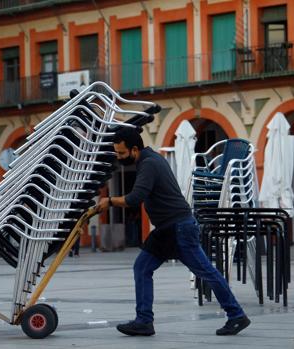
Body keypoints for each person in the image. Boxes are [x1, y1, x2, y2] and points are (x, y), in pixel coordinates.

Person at [95, 126, 250, 337]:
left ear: (134, 150)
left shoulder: (149, 163)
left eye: (121, 153)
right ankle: (144, 321)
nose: (119, 157)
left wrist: (109, 201)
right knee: (142, 267)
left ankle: (236, 315)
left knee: (206, 272)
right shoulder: (148, 160)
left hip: (179, 228)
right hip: (168, 229)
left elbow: (135, 198)